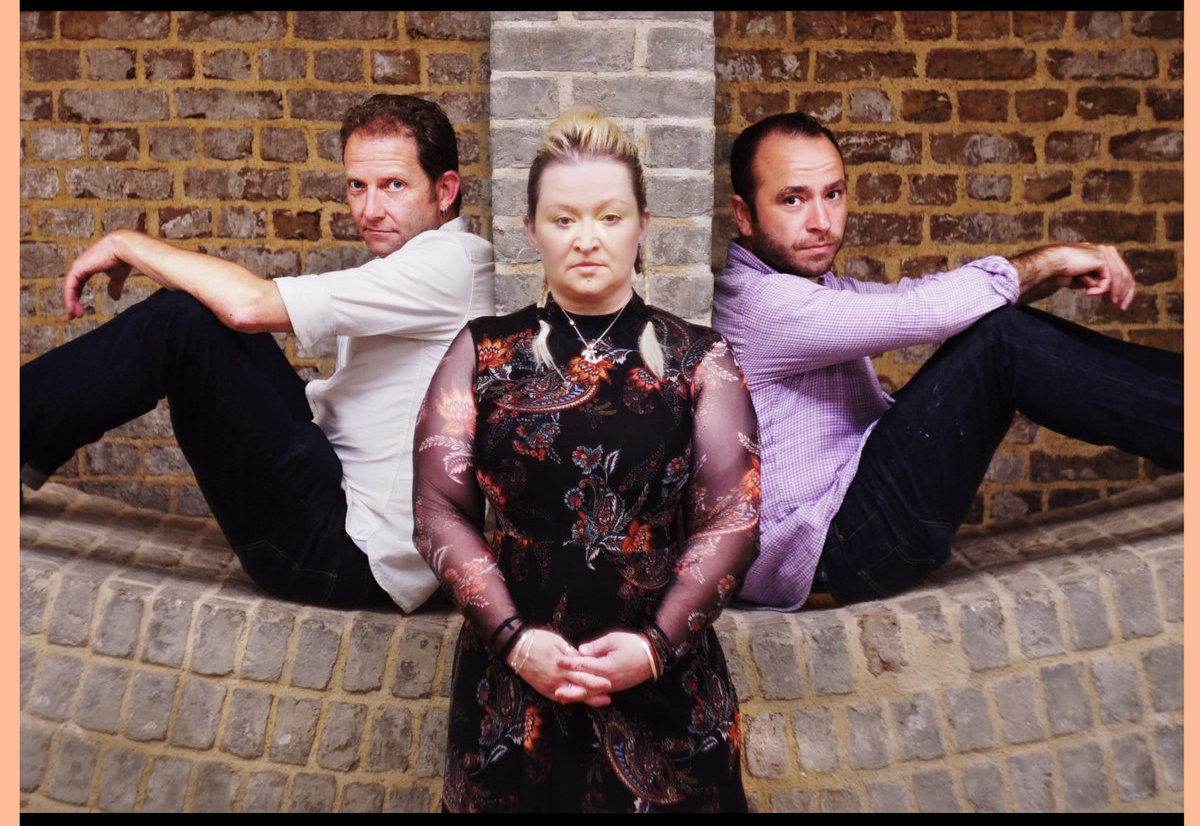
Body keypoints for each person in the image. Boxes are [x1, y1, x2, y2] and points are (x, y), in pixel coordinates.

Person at [20, 94, 494, 612]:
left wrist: (127, 245)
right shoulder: (435, 261)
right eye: (357, 186)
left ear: (445, 190)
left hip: (348, 557)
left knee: (187, 321)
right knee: (201, 312)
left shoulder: (448, 265)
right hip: (335, 497)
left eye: (394, 186)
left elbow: (249, 306)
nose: (369, 209)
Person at [412, 109, 759, 812]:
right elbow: (437, 510)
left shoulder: (699, 360)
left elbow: (735, 517)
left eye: (609, 216)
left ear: (642, 224)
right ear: (532, 228)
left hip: (666, 692)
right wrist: (512, 639)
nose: (588, 239)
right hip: (512, 696)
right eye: (564, 219)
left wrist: (657, 647)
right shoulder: (481, 354)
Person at [711, 111, 1183, 611]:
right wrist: (1054, 259)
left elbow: (924, 301)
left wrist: (1042, 278)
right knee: (1002, 344)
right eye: (793, 200)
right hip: (840, 547)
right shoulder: (755, 304)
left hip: (854, 530)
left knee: (996, 331)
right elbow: (920, 312)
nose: (822, 222)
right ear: (744, 215)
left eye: (833, 193)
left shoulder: (803, 289)